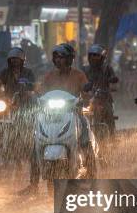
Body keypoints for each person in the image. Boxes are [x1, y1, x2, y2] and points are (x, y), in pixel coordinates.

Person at [18, 43, 94, 195]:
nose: (59, 60)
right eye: (56, 57)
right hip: (50, 116)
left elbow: (86, 93)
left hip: (73, 114)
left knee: (86, 140)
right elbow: (40, 91)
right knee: (36, 146)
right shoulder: (49, 76)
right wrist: (33, 92)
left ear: (69, 59)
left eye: (62, 57)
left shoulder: (79, 75)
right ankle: (33, 185)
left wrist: (85, 98)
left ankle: (93, 179)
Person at [84, 44, 119, 133]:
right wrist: (84, 87)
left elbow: (114, 78)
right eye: (92, 55)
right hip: (89, 99)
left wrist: (112, 79)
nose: (93, 58)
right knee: (80, 115)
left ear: (102, 57)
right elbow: (80, 82)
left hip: (104, 98)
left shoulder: (107, 68)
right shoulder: (86, 69)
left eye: (96, 56)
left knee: (109, 113)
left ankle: (112, 136)